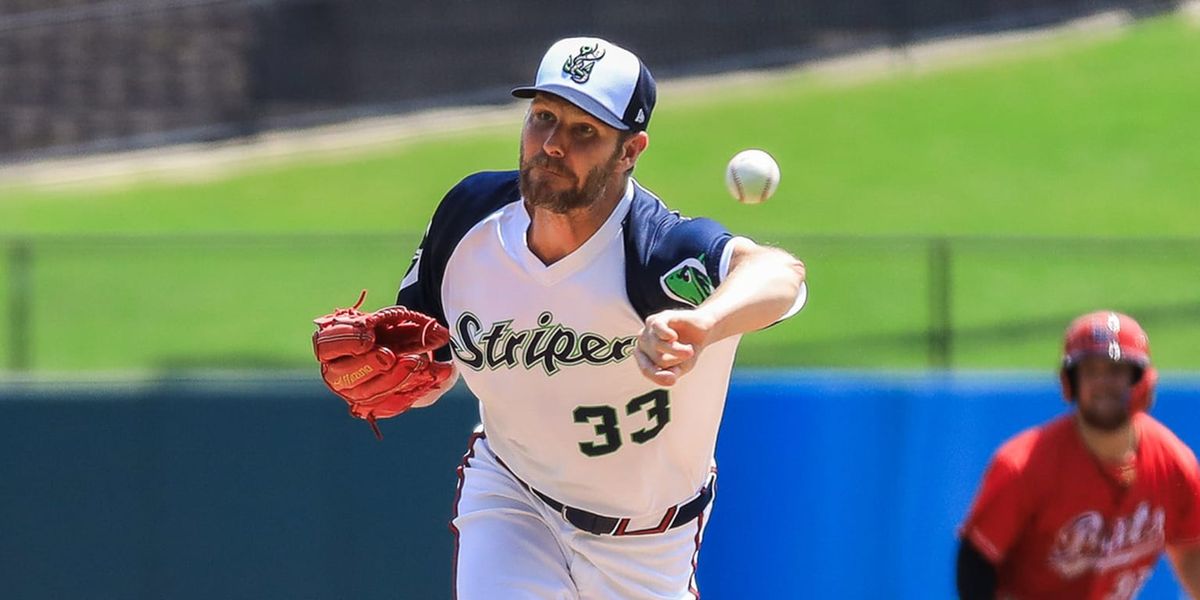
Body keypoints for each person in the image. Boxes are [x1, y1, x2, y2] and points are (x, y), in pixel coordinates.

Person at [389, 37, 807, 598]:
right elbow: (422, 363)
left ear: (630, 151)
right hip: (513, 499)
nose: (554, 145)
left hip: (648, 542)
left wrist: (704, 322)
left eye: (585, 130)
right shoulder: (469, 220)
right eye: (543, 117)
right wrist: (393, 375)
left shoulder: (658, 253)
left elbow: (780, 274)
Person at [957, 311, 1200, 600]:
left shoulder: (1173, 464)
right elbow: (975, 562)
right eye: (1091, 371)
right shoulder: (1023, 466)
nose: (1103, 383)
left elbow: (1191, 553)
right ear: (1070, 381)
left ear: (1141, 380)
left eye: (1116, 370)